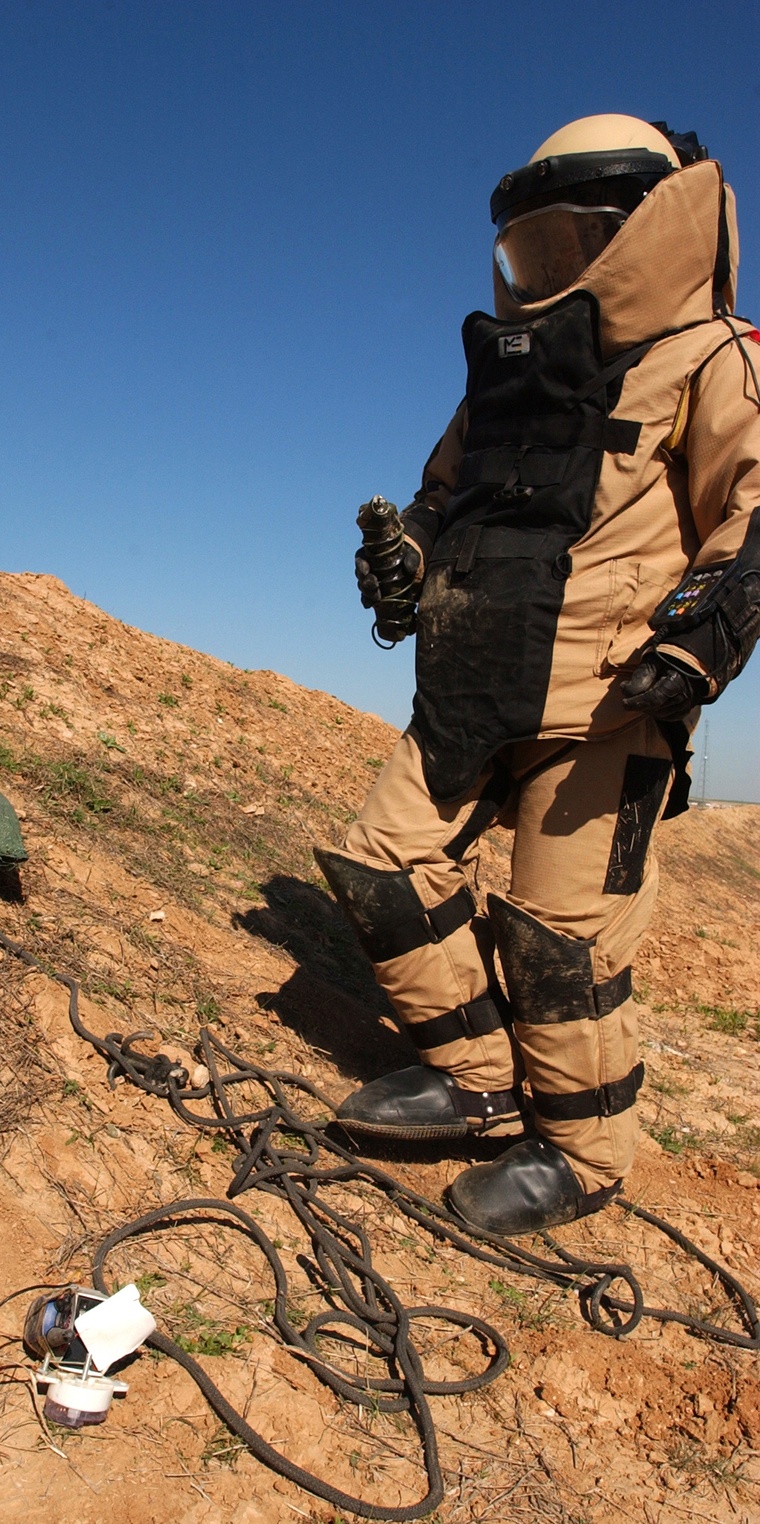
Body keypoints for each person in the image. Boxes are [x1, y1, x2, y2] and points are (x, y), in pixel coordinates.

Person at [315, 115, 760, 1235]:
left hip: (606, 704)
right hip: (470, 683)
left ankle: (581, 1153)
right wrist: (404, 559)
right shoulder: (503, 385)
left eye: (575, 240)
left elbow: (751, 518)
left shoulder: (711, 359)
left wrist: (695, 643)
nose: (549, 268)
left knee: (559, 942)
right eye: (532, 246)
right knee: (382, 867)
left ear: (646, 231)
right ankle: (473, 1081)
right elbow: (440, 499)